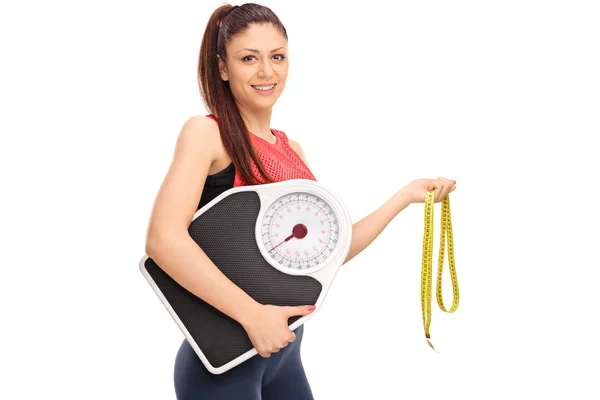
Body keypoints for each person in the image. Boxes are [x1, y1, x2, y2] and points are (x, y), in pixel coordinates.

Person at [144, 3, 457, 399]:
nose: (266, 72)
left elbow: (324, 255)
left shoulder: (292, 149)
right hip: (223, 361)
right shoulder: (207, 134)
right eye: (248, 59)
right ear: (222, 68)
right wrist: (252, 315)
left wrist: (404, 197)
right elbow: (163, 239)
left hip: (284, 354)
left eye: (277, 57)